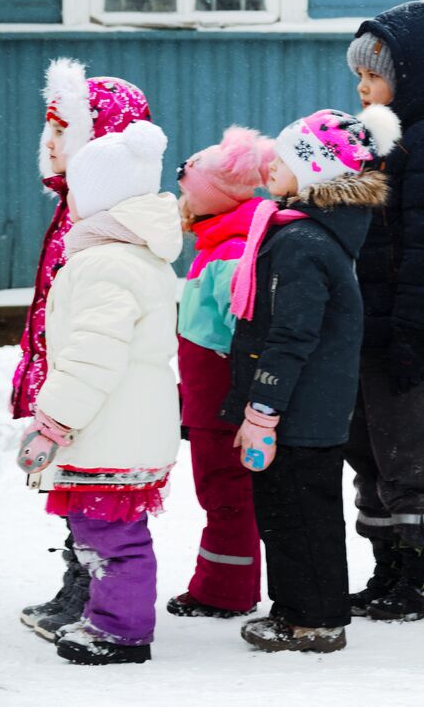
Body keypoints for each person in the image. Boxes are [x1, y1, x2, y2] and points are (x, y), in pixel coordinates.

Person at [225, 106, 401, 653]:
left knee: (297, 514)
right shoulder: (309, 234)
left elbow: (293, 336)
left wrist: (262, 411)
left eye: (287, 156)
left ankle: (315, 618)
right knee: (291, 512)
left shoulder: (303, 244)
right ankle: (299, 608)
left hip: (296, 411)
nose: (270, 162)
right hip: (304, 409)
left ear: (318, 170)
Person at [17, 121, 181, 665]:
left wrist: (53, 421)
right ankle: (110, 619)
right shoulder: (132, 257)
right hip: (120, 427)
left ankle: (120, 632)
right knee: (108, 532)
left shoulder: (106, 265)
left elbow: (93, 355)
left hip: (109, 428)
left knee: (112, 538)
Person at [343, 1, 424, 621]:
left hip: (406, 329)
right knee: (370, 450)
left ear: (411, 76)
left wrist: (411, 333)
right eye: (358, 77)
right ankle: (389, 564)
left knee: (411, 450)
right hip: (366, 325)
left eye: (374, 75)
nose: (362, 87)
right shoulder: (374, 142)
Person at [168, 127, 276, 619]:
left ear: (213, 199)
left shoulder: (230, 251)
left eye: (188, 195)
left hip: (222, 400)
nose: (182, 205)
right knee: (222, 490)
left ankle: (223, 591)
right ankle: (227, 583)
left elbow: (243, 330)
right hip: (207, 396)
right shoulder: (218, 242)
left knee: (225, 493)